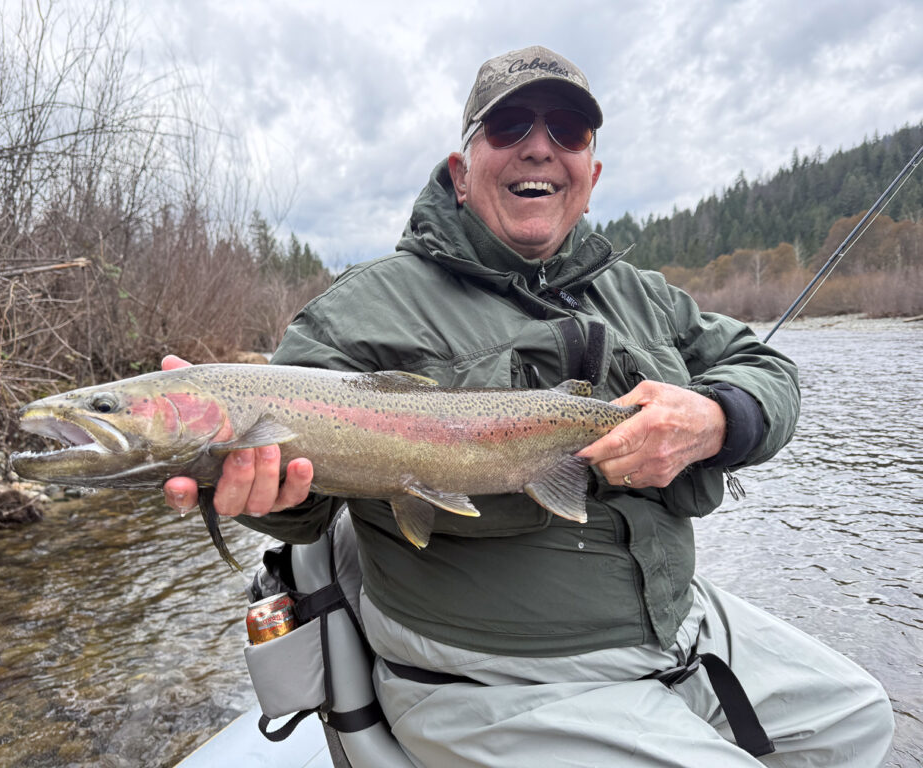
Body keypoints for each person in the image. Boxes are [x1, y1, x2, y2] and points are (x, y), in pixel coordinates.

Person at [163, 46, 894, 767]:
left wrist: (717, 420)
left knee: (859, 719)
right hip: (501, 679)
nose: (539, 147)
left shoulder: (642, 293)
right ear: (461, 171)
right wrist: (264, 496)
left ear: (590, 174)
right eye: (509, 126)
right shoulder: (360, 311)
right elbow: (303, 513)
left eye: (567, 131)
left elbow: (767, 369)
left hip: (679, 622)